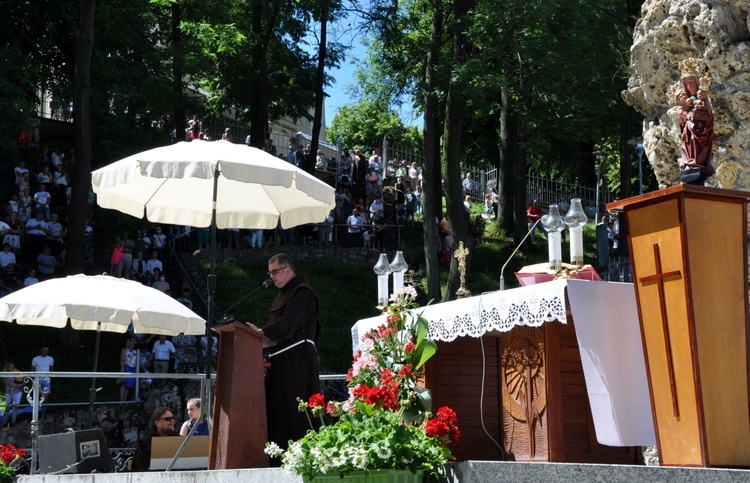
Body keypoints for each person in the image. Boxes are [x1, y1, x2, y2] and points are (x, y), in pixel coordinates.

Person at [246, 253, 320, 457]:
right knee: (280, 414)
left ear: (288, 270)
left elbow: (286, 327)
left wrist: (261, 333)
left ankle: (296, 457)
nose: (272, 277)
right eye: (269, 273)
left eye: (275, 272)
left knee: (292, 414)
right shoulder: (287, 293)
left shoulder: (302, 293)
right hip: (282, 360)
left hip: (297, 363)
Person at [133, 407, 179, 471]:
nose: (172, 421)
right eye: (168, 419)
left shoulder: (179, 440)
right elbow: (141, 468)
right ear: (157, 423)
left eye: (172, 418)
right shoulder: (146, 444)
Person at [1, 362, 24, 427]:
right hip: (9, 391)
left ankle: (13, 423)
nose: (11, 368)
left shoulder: (17, 372)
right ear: (8, 367)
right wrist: (17, 385)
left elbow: (22, 382)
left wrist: (20, 387)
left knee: (16, 407)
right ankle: (4, 423)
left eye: (12, 366)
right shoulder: (5, 374)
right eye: (10, 367)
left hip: (17, 391)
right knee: (8, 407)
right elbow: (7, 383)